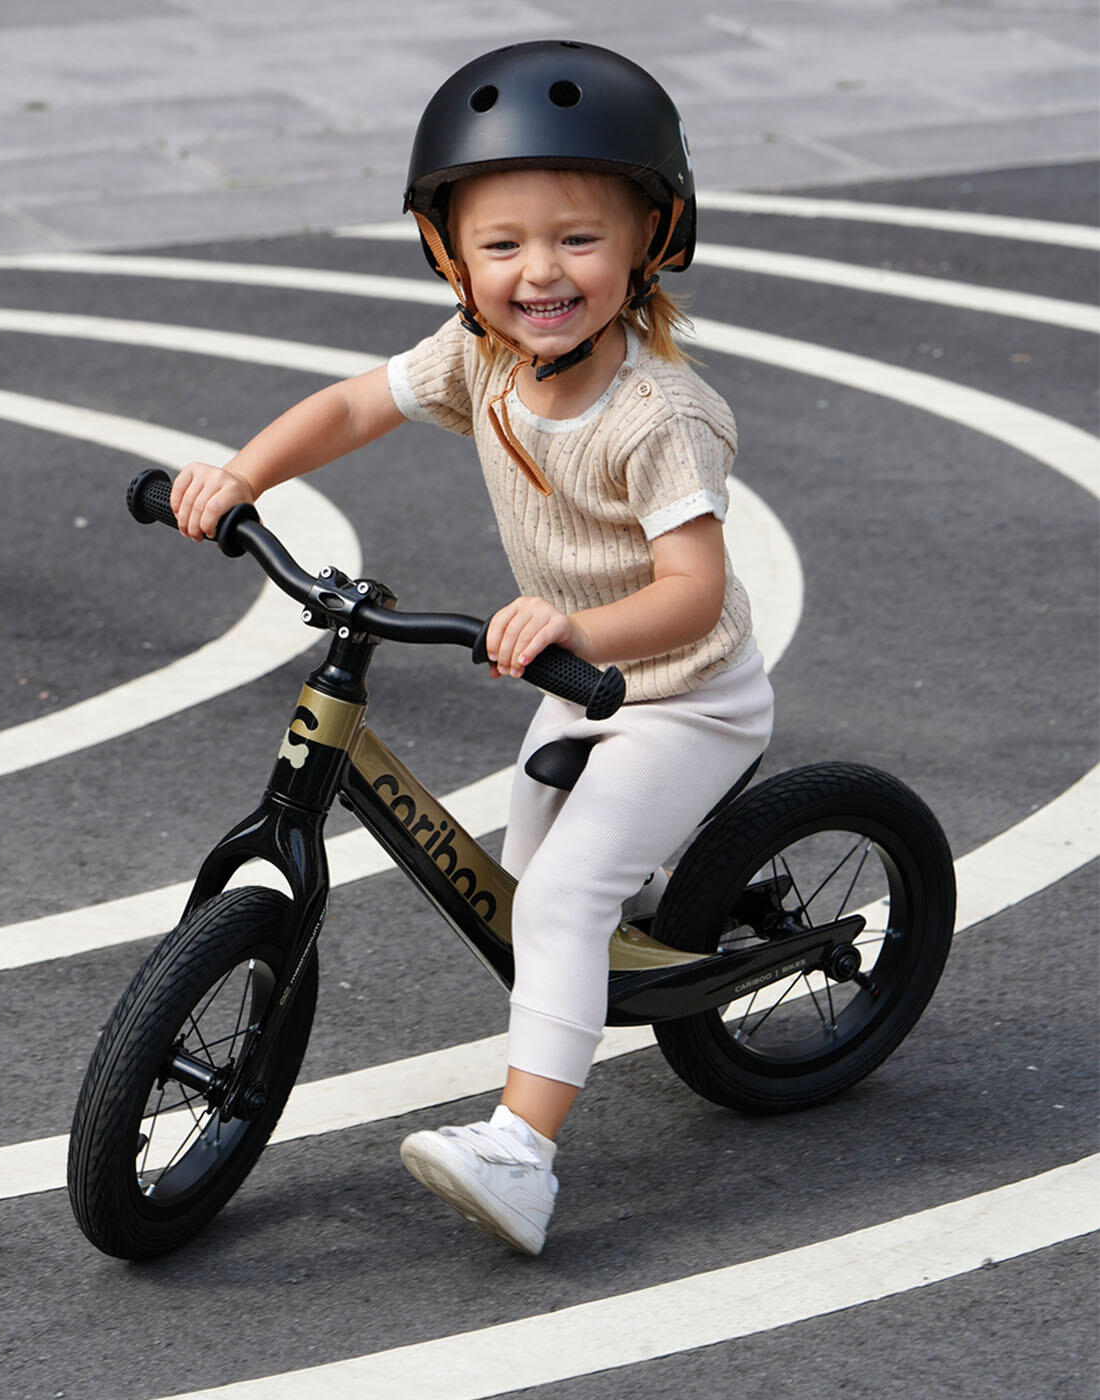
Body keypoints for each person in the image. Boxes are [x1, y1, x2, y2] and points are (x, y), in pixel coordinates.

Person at [170, 40, 774, 1255]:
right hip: (579, 683)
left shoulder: (659, 417)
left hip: (683, 695)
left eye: (578, 239)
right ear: (449, 255)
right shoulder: (481, 358)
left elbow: (694, 592)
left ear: (651, 239)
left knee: (554, 900)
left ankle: (524, 1158)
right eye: (501, 245)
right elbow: (355, 404)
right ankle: (627, 919)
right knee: (532, 887)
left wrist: (574, 626)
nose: (539, 271)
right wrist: (244, 473)